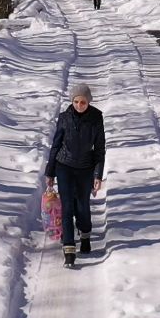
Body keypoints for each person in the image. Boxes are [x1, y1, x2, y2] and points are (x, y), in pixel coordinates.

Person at [45, 82, 106, 268]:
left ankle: (85, 234)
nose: (80, 105)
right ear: (72, 101)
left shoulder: (96, 118)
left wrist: (97, 174)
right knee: (67, 207)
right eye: (76, 102)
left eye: (83, 102)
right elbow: (56, 145)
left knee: (82, 206)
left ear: (89, 101)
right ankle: (69, 250)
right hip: (64, 166)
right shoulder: (64, 118)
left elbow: (100, 149)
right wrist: (50, 171)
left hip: (86, 168)